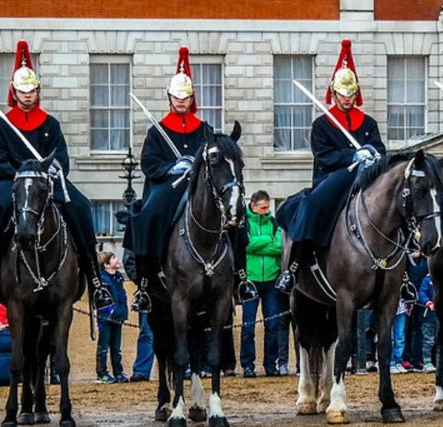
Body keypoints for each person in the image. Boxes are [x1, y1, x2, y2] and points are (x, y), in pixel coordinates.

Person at [0, 40, 112, 319]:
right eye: (22, 91)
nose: (27, 95)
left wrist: (49, 172)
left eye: (31, 90)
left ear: (38, 92)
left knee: (81, 207)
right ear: (14, 92)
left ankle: (95, 281)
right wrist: (22, 174)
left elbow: (62, 159)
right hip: (11, 182)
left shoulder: (50, 124)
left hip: (47, 183)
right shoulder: (3, 125)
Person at [130, 46, 257, 312]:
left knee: (236, 217)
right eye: (176, 97)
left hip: (200, 187)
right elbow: (148, 164)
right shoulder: (157, 132)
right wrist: (172, 167)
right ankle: (145, 283)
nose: (180, 101)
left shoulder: (205, 130)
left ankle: (240, 278)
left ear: (192, 99)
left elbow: (217, 158)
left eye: (185, 97)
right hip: (169, 186)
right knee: (151, 213)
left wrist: (198, 166)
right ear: (169, 98)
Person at [276, 39, 385, 295]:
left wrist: (372, 154)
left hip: (365, 177)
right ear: (333, 93)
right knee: (312, 206)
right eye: (342, 94)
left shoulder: (368, 123)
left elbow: (380, 150)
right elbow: (324, 157)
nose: (347, 99)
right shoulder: (322, 125)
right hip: (333, 179)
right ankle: (293, 268)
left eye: (351, 95)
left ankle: (401, 279)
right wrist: (352, 156)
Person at [243, 190, 289, 377]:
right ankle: (248, 364)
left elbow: (280, 246)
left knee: (272, 326)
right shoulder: (245, 223)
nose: (266, 211)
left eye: (267, 207)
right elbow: (246, 244)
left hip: (271, 280)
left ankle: (270, 363)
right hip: (251, 280)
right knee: (248, 326)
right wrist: (267, 240)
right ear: (253, 207)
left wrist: (257, 244)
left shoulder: (274, 222)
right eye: (263, 208)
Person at [96, 251, 130, 383]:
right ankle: (102, 373)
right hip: (105, 319)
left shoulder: (118, 278)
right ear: (106, 264)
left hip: (118, 318)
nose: (117, 259)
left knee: (116, 348)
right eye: (114, 258)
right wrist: (110, 312)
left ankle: (118, 372)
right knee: (103, 347)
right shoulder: (103, 280)